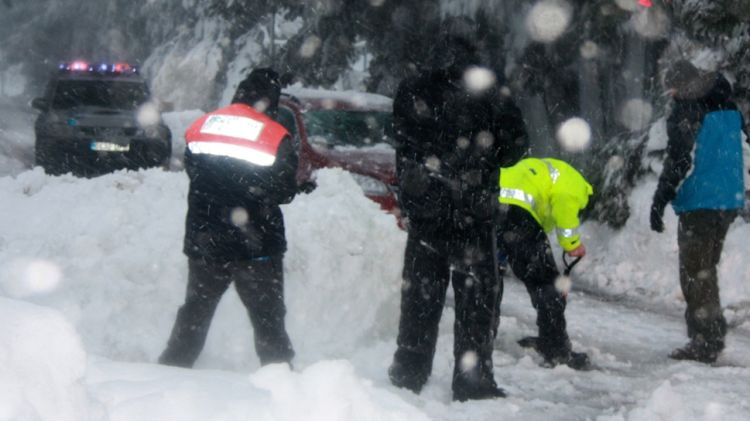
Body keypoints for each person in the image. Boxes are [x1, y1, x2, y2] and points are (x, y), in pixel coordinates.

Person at [387, 30, 528, 401]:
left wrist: (421, 176)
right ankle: (472, 379)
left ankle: (408, 372)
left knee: (420, 295)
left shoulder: (414, 86)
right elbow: (516, 145)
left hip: (427, 208)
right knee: (477, 300)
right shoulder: (490, 88)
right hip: (473, 208)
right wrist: (482, 159)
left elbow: (400, 137)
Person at [159, 68, 298, 368]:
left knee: (195, 314)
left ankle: (171, 372)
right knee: (269, 322)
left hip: (206, 239)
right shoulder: (274, 135)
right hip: (256, 246)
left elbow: (194, 170)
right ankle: (283, 385)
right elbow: (285, 190)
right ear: (271, 101)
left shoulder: (205, 124)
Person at [650, 60, 747, 364]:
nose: (672, 95)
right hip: (728, 199)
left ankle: (705, 340)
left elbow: (680, 159)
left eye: (673, 88)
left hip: (701, 202)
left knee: (694, 272)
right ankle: (710, 334)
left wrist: (660, 197)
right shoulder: (729, 104)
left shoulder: (688, 109)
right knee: (706, 268)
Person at [497, 157, 592, 370]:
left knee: (490, 275)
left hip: (491, 208)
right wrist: (572, 244)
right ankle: (556, 351)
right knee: (548, 284)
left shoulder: (549, 171)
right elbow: (564, 212)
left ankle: (481, 338)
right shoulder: (576, 187)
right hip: (519, 217)